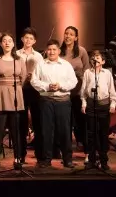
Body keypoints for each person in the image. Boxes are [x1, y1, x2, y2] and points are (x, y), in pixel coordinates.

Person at [30, 39, 78, 168]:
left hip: (63, 101)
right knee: (46, 131)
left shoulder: (66, 65)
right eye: (49, 49)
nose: (51, 52)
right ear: (46, 51)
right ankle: (46, 159)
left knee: (65, 131)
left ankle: (67, 159)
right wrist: (47, 86)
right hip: (46, 101)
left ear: (59, 51)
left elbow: (73, 81)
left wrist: (61, 86)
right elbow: (34, 81)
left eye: (54, 49)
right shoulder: (41, 64)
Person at [0, 32, 26, 169]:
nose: (7, 43)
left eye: (10, 40)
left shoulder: (19, 60)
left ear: (14, 44)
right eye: (4, 40)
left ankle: (17, 157)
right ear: (1, 43)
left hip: (15, 93)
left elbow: (24, 77)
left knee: (15, 130)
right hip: (0, 95)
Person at [79, 48, 116, 171]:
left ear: (103, 61)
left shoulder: (107, 73)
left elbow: (112, 91)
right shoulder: (87, 73)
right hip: (91, 105)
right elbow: (83, 91)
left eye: (98, 57)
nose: (95, 59)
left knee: (103, 134)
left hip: (103, 106)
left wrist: (112, 105)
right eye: (93, 57)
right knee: (91, 133)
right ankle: (91, 159)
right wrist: (84, 104)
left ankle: (104, 159)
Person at [60, 26, 91, 153]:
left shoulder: (81, 51)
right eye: (66, 33)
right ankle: (66, 150)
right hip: (63, 92)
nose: (68, 36)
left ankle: (86, 150)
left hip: (78, 92)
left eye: (71, 34)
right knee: (65, 123)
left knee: (81, 121)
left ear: (76, 37)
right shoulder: (58, 51)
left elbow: (87, 71)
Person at [17, 28, 45, 162]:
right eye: (26, 37)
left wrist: (32, 76)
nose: (28, 40)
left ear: (34, 41)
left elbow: (41, 74)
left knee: (38, 122)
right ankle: (20, 155)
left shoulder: (39, 56)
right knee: (21, 123)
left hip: (35, 90)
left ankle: (40, 154)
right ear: (22, 39)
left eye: (31, 38)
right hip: (20, 89)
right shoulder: (16, 54)